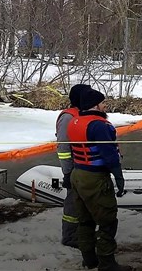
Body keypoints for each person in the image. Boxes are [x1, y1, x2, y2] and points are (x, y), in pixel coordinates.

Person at [68, 89, 131, 271]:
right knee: (108, 222)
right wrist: (118, 177)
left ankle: (89, 259)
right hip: (95, 178)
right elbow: (110, 155)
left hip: (77, 174)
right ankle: (107, 263)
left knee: (85, 220)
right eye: (103, 103)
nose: (105, 105)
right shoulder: (99, 125)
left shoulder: (74, 121)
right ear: (94, 105)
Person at [55, 83, 91, 248]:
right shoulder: (68, 117)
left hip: (86, 167)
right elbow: (63, 147)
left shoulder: (83, 114)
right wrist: (67, 172)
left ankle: (83, 234)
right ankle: (69, 237)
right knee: (73, 204)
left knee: (85, 204)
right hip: (74, 169)